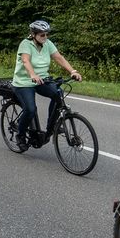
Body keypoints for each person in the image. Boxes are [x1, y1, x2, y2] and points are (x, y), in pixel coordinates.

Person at [11, 20, 81, 152]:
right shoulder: (25, 44)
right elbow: (25, 60)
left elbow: (58, 57)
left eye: (46, 34)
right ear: (33, 34)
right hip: (24, 82)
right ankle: (20, 136)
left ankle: (52, 127)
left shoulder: (47, 44)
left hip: (42, 80)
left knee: (58, 93)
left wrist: (72, 71)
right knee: (30, 109)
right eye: (42, 35)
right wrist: (32, 74)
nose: (45, 37)